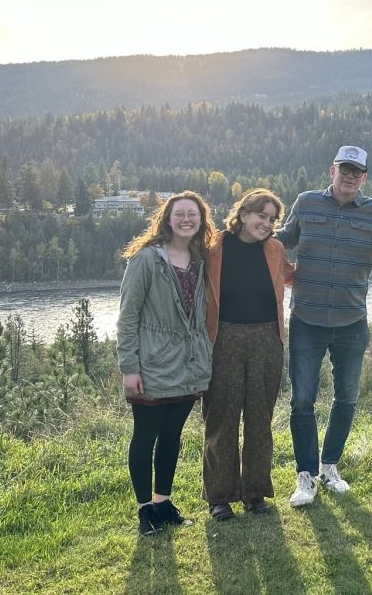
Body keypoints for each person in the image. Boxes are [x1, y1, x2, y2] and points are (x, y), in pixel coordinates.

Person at [275, 145, 372, 508]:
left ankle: (329, 467)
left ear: (364, 178)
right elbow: (285, 238)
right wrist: (248, 237)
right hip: (306, 319)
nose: (350, 177)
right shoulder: (306, 202)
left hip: (351, 322)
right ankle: (305, 475)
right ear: (331, 170)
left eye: (357, 172)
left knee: (347, 398)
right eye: (344, 169)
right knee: (302, 400)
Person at [116, 191, 215, 536]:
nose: (187, 219)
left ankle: (163, 503)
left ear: (201, 220)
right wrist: (130, 367)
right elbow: (127, 317)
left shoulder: (200, 259)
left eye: (193, 214)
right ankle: (145, 511)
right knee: (145, 437)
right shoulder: (146, 259)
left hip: (189, 364)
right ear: (167, 219)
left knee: (172, 436)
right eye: (180, 214)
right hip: (153, 364)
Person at [202, 188, 293, 521]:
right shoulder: (214, 247)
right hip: (224, 338)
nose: (266, 224)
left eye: (272, 219)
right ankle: (219, 497)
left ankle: (255, 493)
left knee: (259, 419)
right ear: (242, 214)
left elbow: (292, 276)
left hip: (267, 339)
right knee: (221, 418)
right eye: (261, 216)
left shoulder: (275, 249)